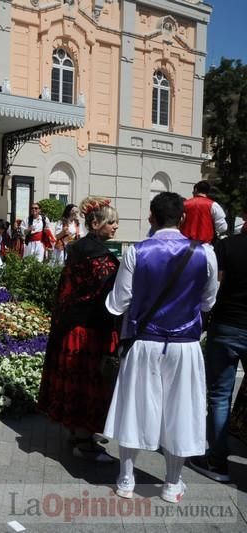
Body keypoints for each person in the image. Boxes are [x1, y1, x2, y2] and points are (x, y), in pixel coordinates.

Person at [103, 192, 218, 504]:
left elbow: (118, 303)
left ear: (151, 217)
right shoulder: (205, 253)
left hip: (144, 342)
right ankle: (172, 484)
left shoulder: (137, 252)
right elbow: (208, 301)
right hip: (185, 344)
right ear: (182, 218)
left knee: (134, 408)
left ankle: (126, 481)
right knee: (181, 410)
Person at [38, 197, 120, 463]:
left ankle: (77, 432)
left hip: (71, 328)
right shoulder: (100, 257)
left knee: (76, 383)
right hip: (91, 331)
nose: (116, 226)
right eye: (112, 222)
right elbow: (111, 295)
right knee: (89, 384)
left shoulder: (77, 249)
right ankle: (84, 441)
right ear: (95, 223)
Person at [189, 204, 247, 483]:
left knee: (220, 395)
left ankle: (218, 462)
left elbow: (215, 285)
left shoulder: (227, 246)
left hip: (227, 326)